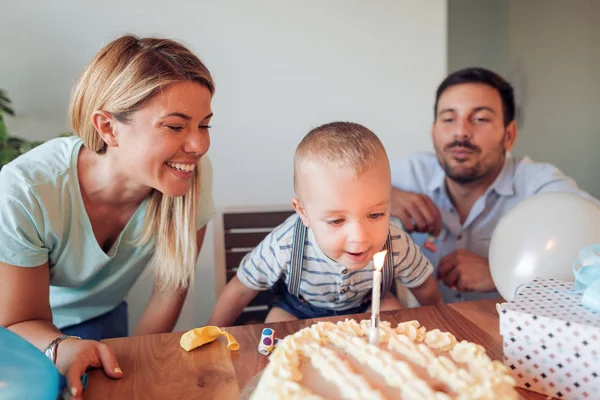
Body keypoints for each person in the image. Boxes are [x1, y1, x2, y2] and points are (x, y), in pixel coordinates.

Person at [0, 35, 216, 398]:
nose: (198, 146)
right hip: (21, 334)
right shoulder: (25, 190)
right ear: (108, 127)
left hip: (106, 316)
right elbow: (19, 320)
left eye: (204, 125)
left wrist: (136, 372)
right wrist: (61, 347)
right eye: (176, 126)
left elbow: (170, 290)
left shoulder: (188, 175)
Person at [390, 67, 598, 304]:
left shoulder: (540, 188)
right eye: (448, 119)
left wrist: (498, 274)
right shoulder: (410, 174)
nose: (461, 132)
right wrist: (386, 195)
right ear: (433, 131)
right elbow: (339, 187)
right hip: (427, 334)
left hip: (509, 336)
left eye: (480, 119)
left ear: (509, 135)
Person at [208, 122, 442, 327]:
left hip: (366, 305)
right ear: (303, 213)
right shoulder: (286, 243)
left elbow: (425, 287)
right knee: (277, 328)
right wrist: (210, 333)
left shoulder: (396, 242)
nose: (359, 237)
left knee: (393, 315)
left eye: (375, 215)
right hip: (297, 310)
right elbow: (240, 291)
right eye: (337, 220)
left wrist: (442, 324)